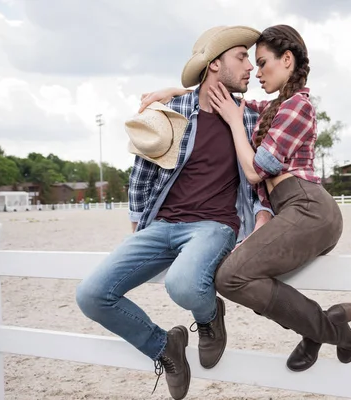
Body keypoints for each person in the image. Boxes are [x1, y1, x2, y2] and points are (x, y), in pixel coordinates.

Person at [76, 25, 273, 400]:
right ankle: (164, 347)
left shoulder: (250, 116)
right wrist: (138, 228)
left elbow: (264, 176)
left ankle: (210, 317)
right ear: (215, 64)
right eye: (241, 56)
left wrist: (262, 214)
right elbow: (143, 172)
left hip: (214, 226)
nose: (250, 66)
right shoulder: (173, 112)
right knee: (92, 295)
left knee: (182, 284)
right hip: (162, 224)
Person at [207, 24, 351, 372]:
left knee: (230, 276)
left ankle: (325, 330)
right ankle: (321, 326)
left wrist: (234, 122)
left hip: (309, 209)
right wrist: (171, 92)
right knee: (234, 276)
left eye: (262, 63)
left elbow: (254, 171)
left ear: (287, 59)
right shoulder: (272, 109)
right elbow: (228, 100)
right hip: (293, 210)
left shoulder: (298, 107)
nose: (257, 72)